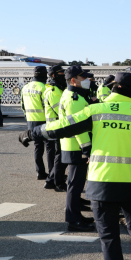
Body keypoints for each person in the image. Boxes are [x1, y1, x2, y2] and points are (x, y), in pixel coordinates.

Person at [20, 72, 131, 260]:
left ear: (115, 88)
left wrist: (31, 132)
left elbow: (61, 126)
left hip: (102, 184)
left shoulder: (97, 110)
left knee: (109, 235)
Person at [57, 65, 95, 232]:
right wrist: (87, 149)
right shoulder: (75, 99)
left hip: (72, 146)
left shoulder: (72, 95)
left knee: (75, 184)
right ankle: (73, 220)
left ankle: (76, 216)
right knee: (75, 184)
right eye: (83, 78)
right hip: (76, 147)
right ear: (73, 80)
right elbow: (79, 127)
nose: (87, 80)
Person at [42, 65, 68, 191]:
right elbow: (61, 110)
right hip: (56, 127)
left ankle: (52, 180)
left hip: (59, 126)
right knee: (60, 155)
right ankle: (57, 182)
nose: (63, 75)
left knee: (60, 155)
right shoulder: (52, 91)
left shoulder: (59, 88)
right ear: (53, 75)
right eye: (60, 73)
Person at [21, 66, 49, 177]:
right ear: (45, 75)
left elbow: (22, 106)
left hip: (31, 121)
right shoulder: (44, 87)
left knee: (38, 147)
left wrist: (28, 117)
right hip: (44, 121)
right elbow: (47, 106)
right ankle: (52, 174)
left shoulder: (25, 87)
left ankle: (40, 172)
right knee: (50, 148)